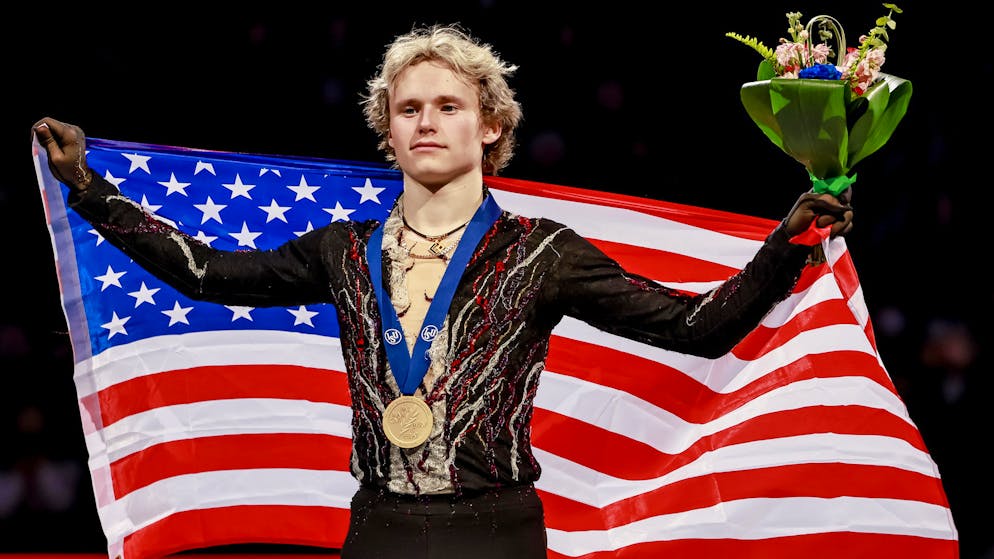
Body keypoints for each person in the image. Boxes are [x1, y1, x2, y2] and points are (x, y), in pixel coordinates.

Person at [32, 23, 853, 559]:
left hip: (499, 533)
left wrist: (784, 246)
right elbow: (205, 272)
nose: (426, 121)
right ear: (387, 131)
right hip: (378, 531)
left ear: (489, 126)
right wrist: (88, 186)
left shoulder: (542, 254)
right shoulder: (342, 249)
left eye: (448, 106)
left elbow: (697, 327)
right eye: (408, 108)